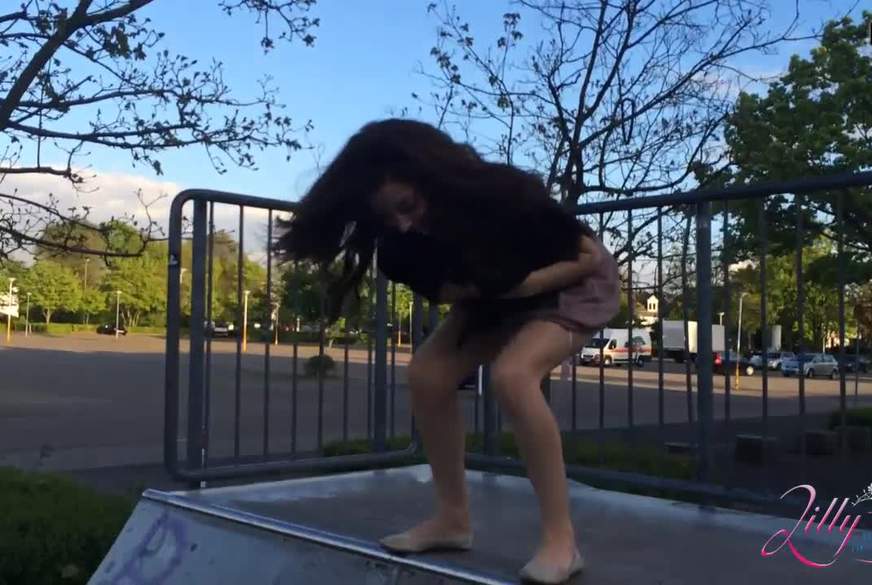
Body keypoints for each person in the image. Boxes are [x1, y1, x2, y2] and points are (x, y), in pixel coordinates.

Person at [275, 119, 620, 584]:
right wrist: (507, 291)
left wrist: (525, 286)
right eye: (387, 219)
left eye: (407, 206)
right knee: (428, 374)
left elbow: (587, 257)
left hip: (574, 281)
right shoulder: (398, 250)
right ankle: (453, 521)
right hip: (497, 294)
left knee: (513, 375)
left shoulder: (502, 193)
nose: (403, 224)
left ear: (431, 178)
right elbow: (465, 293)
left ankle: (562, 542)